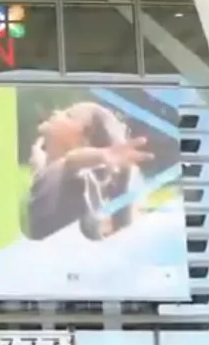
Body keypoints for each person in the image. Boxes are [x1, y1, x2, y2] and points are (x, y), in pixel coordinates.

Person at [21, 101, 154, 241]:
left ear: (84, 142)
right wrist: (39, 169)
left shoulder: (78, 180)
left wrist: (101, 155)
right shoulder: (54, 175)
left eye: (69, 115)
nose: (57, 113)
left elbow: (72, 163)